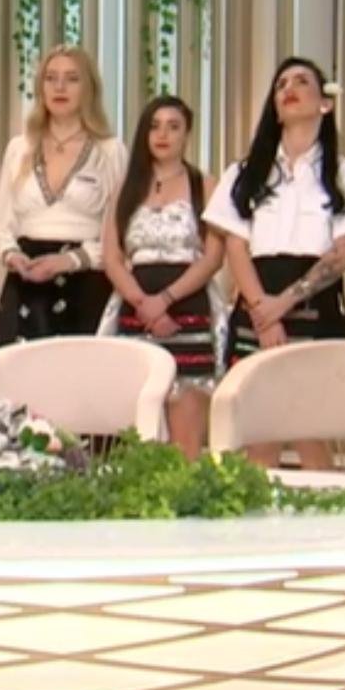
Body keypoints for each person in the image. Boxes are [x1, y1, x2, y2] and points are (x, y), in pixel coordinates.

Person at [204, 57, 345, 470]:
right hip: (256, 305)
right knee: (260, 433)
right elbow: (235, 246)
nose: (289, 88)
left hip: (314, 306)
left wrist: (283, 304)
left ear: (325, 103)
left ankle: (325, 512)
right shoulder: (244, 173)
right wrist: (262, 312)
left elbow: (342, 254)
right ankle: (255, 512)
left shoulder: (344, 175)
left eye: (302, 81)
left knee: (309, 430)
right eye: (281, 83)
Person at [100, 95, 225, 461]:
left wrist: (166, 300)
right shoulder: (125, 188)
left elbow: (213, 257)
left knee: (186, 442)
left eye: (173, 127)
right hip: (134, 310)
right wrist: (144, 304)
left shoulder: (206, 185)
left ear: (187, 134)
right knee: (139, 437)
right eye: (154, 126)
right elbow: (112, 257)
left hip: (189, 307)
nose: (163, 135)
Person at [0, 45, 128, 345]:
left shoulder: (109, 151)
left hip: (85, 285)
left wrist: (71, 260)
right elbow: (0, 224)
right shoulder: (20, 148)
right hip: (26, 283)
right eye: (51, 78)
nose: (59, 87)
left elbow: (121, 234)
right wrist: (12, 255)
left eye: (71, 79)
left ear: (88, 88)